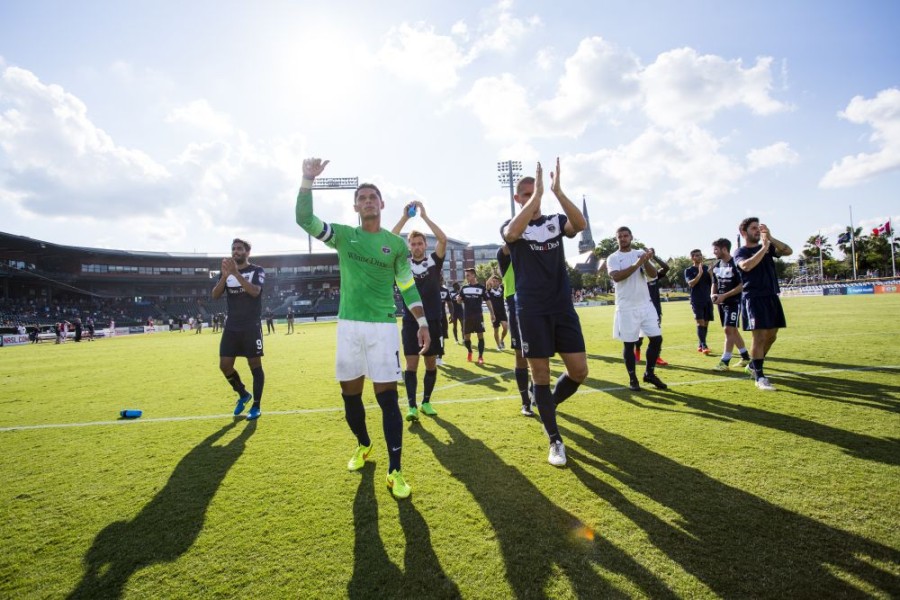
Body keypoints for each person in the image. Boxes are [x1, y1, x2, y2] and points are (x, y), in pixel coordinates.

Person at [296, 157, 429, 500]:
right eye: (362, 198)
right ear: (355, 206)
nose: (368, 201)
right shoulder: (343, 236)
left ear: (382, 204)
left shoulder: (396, 245)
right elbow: (305, 219)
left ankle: (395, 470)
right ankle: (364, 444)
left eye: (373, 197)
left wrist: (423, 321)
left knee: (388, 400)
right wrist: (307, 180)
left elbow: (407, 286)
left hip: (383, 328)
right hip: (349, 327)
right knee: (350, 398)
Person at [501, 158, 589, 467]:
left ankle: (545, 403)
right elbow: (512, 234)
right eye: (525, 194)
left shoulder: (553, 221)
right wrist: (536, 196)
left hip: (562, 307)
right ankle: (554, 439)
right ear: (518, 199)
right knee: (540, 373)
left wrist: (556, 191)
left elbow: (579, 225)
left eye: (533, 193)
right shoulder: (513, 227)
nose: (531, 198)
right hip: (531, 309)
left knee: (579, 371)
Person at [391, 201, 448, 421]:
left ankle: (426, 402)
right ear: (409, 246)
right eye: (412, 244)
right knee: (412, 363)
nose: (416, 247)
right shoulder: (403, 264)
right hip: (410, 321)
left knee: (431, 363)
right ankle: (412, 406)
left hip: (433, 320)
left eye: (419, 243)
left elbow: (442, 239)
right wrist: (405, 217)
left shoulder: (434, 261)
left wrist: (424, 216)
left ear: (425, 245)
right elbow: (387, 240)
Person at [734, 218, 792, 391]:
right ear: (744, 232)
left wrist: (771, 239)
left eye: (758, 228)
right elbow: (746, 266)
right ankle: (759, 377)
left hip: (771, 296)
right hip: (753, 297)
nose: (757, 231)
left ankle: (753, 365)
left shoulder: (767, 246)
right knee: (759, 337)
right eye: (753, 228)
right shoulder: (741, 251)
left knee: (772, 335)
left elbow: (788, 251)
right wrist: (765, 248)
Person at [607, 226, 668, 392]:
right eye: (620, 236)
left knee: (656, 339)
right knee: (629, 344)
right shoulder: (613, 258)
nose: (623, 239)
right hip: (626, 306)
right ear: (617, 239)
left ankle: (649, 373)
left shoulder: (639, 253)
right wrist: (638, 262)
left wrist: (646, 259)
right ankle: (633, 378)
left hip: (646, 304)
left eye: (626, 236)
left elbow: (653, 275)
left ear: (631, 237)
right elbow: (617, 277)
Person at [211, 238, 266, 420]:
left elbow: (255, 291)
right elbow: (215, 295)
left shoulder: (257, 271)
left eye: (239, 249)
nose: (235, 251)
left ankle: (256, 406)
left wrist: (236, 273)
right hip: (232, 326)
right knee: (225, 366)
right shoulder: (227, 273)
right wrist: (226, 276)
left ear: (247, 252)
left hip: (251, 326)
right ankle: (243, 394)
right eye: (233, 248)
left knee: (255, 365)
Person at [497, 245, 534, 416]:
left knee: (540, 355)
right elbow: (507, 246)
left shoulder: (531, 250)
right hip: (515, 304)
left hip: (537, 302)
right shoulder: (504, 256)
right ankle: (525, 402)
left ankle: (536, 393)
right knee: (520, 355)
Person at [710, 238, 752, 371]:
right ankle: (745, 357)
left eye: (716, 249)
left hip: (734, 302)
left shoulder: (736, 263)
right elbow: (714, 283)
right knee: (732, 330)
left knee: (728, 330)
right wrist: (713, 294)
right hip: (721, 303)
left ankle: (724, 362)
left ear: (724, 249)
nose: (714, 252)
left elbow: (742, 285)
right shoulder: (717, 265)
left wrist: (724, 296)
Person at [634, 254, 670, 366]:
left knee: (656, 336)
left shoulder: (655, 276)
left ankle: (657, 356)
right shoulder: (637, 279)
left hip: (655, 310)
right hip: (639, 309)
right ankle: (637, 351)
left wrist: (654, 257)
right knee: (638, 337)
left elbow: (666, 268)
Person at [456, 268, 493, 365]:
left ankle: (480, 356)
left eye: (468, 275)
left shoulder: (481, 288)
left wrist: (492, 313)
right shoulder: (464, 288)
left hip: (478, 316)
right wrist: (458, 300)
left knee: (480, 335)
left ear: (473, 275)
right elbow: (459, 301)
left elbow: (488, 301)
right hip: (467, 316)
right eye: (466, 275)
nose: (466, 277)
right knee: (466, 338)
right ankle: (470, 351)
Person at [685, 249, 714, 354]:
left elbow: (713, 283)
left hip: (707, 299)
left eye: (700, 255)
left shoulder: (707, 268)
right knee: (700, 322)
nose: (699, 257)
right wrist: (700, 273)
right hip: (696, 300)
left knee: (706, 323)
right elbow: (691, 283)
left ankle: (700, 344)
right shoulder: (689, 270)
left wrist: (710, 273)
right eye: (696, 255)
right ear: (692, 258)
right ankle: (704, 345)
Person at [486, 275, 509, 350]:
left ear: (499, 282)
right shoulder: (489, 290)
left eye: (496, 281)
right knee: (496, 330)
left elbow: (504, 279)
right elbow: (487, 283)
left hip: (502, 312)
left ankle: (501, 340)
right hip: (494, 313)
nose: (495, 282)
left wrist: (498, 274)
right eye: (493, 281)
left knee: (505, 328)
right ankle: (498, 345)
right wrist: (492, 275)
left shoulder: (501, 288)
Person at [437, 277, 452, 365]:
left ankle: (439, 356)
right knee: (434, 337)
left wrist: (452, 314)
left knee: (442, 337)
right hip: (432, 317)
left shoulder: (445, 291)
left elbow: (449, 303)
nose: (440, 281)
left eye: (440, 280)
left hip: (442, 318)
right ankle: (434, 355)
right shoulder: (430, 289)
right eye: (438, 279)